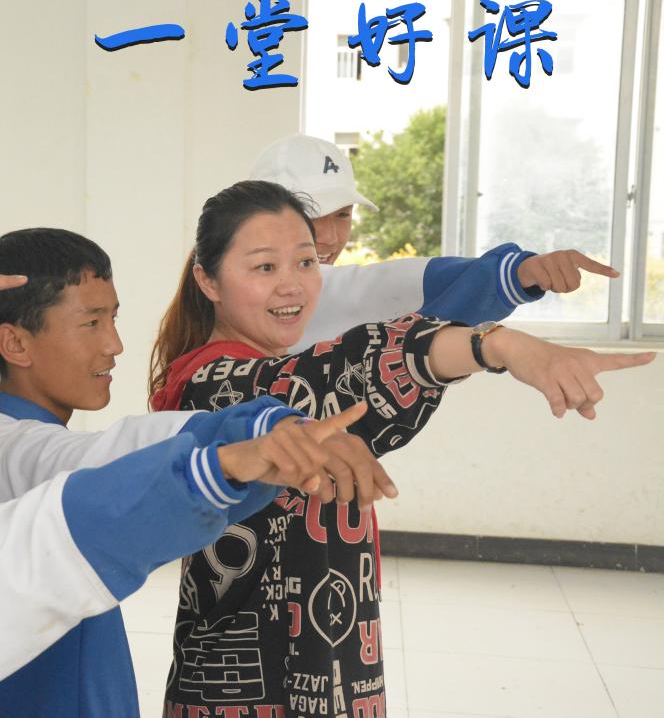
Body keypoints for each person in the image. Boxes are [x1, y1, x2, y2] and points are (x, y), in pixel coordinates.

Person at [150, 180, 654, 718]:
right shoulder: (211, 386)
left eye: (306, 262)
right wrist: (497, 345)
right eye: (265, 267)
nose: (293, 285)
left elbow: (354, 358)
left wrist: (512, 288)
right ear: (208, 280)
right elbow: (341, 369)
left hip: (330, 668)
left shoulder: (281, 370)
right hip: (245, 694)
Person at [0, 236, 392, 715]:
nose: (114, 344)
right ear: (15, 342)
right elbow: (108, 460)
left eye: (113, 318)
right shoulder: (16, 448)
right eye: (91, 322)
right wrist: (238, 448)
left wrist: (264, 430)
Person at [250, 133, 621, 349]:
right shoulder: (249, 292)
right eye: (311, 214)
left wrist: (517, 273)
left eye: (343, 215)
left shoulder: (312, 295)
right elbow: (374, 289)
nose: (330, 236)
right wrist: (513, 274)